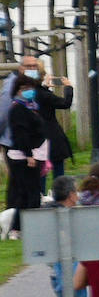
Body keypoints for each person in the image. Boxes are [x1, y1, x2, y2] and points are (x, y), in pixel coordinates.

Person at [3, 69, 47, 229]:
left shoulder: (32, 106)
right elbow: (20, 134)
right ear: (17, 90)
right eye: (24, 89)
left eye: (31, 88)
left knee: (30, 192)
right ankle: (20, 227)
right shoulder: (17, 109)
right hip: (24, 157)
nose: (29, 92)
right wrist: (29, 155)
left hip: (36, 153)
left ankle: (23, 226)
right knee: (27, 193)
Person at [31, 66, 75, 178]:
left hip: (36, 136)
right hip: (52, 135)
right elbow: (65, 103)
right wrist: (68, 87)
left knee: (41, 171)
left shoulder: (30, 94)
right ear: (42, 77)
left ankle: (41, 194)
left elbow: (39, 96)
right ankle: (59, 193)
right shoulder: (46, 95)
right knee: (58, 169)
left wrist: (44, 87)